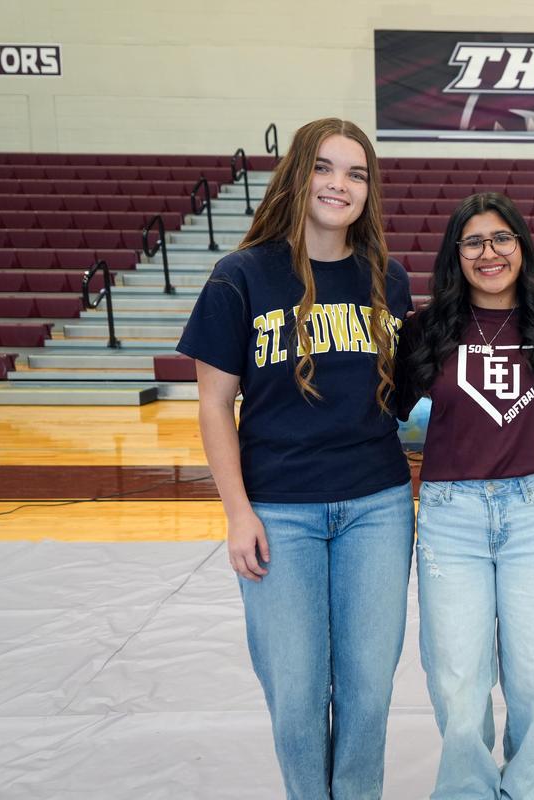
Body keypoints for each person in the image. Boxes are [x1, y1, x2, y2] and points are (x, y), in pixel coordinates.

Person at [177, 118, 414, 800]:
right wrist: (237, 513)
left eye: (356, 173)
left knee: (368, 688)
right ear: (297, 176)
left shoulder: (388, 279)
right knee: (297, 691)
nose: (340, 184)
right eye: (325, 168)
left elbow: (404, 396)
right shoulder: (241, 277)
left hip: (378, 505)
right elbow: (214, 405)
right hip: (279, 510)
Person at [399, 192, 534, 800]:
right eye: (474, 241)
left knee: (533, 674)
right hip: (451, 516)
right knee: (457, 678)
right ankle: (467, 789)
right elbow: (388, 412)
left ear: (522, 247)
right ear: (455, 254)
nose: (490, 253)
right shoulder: (424, 330)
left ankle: (529, 787)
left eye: (502, 238)